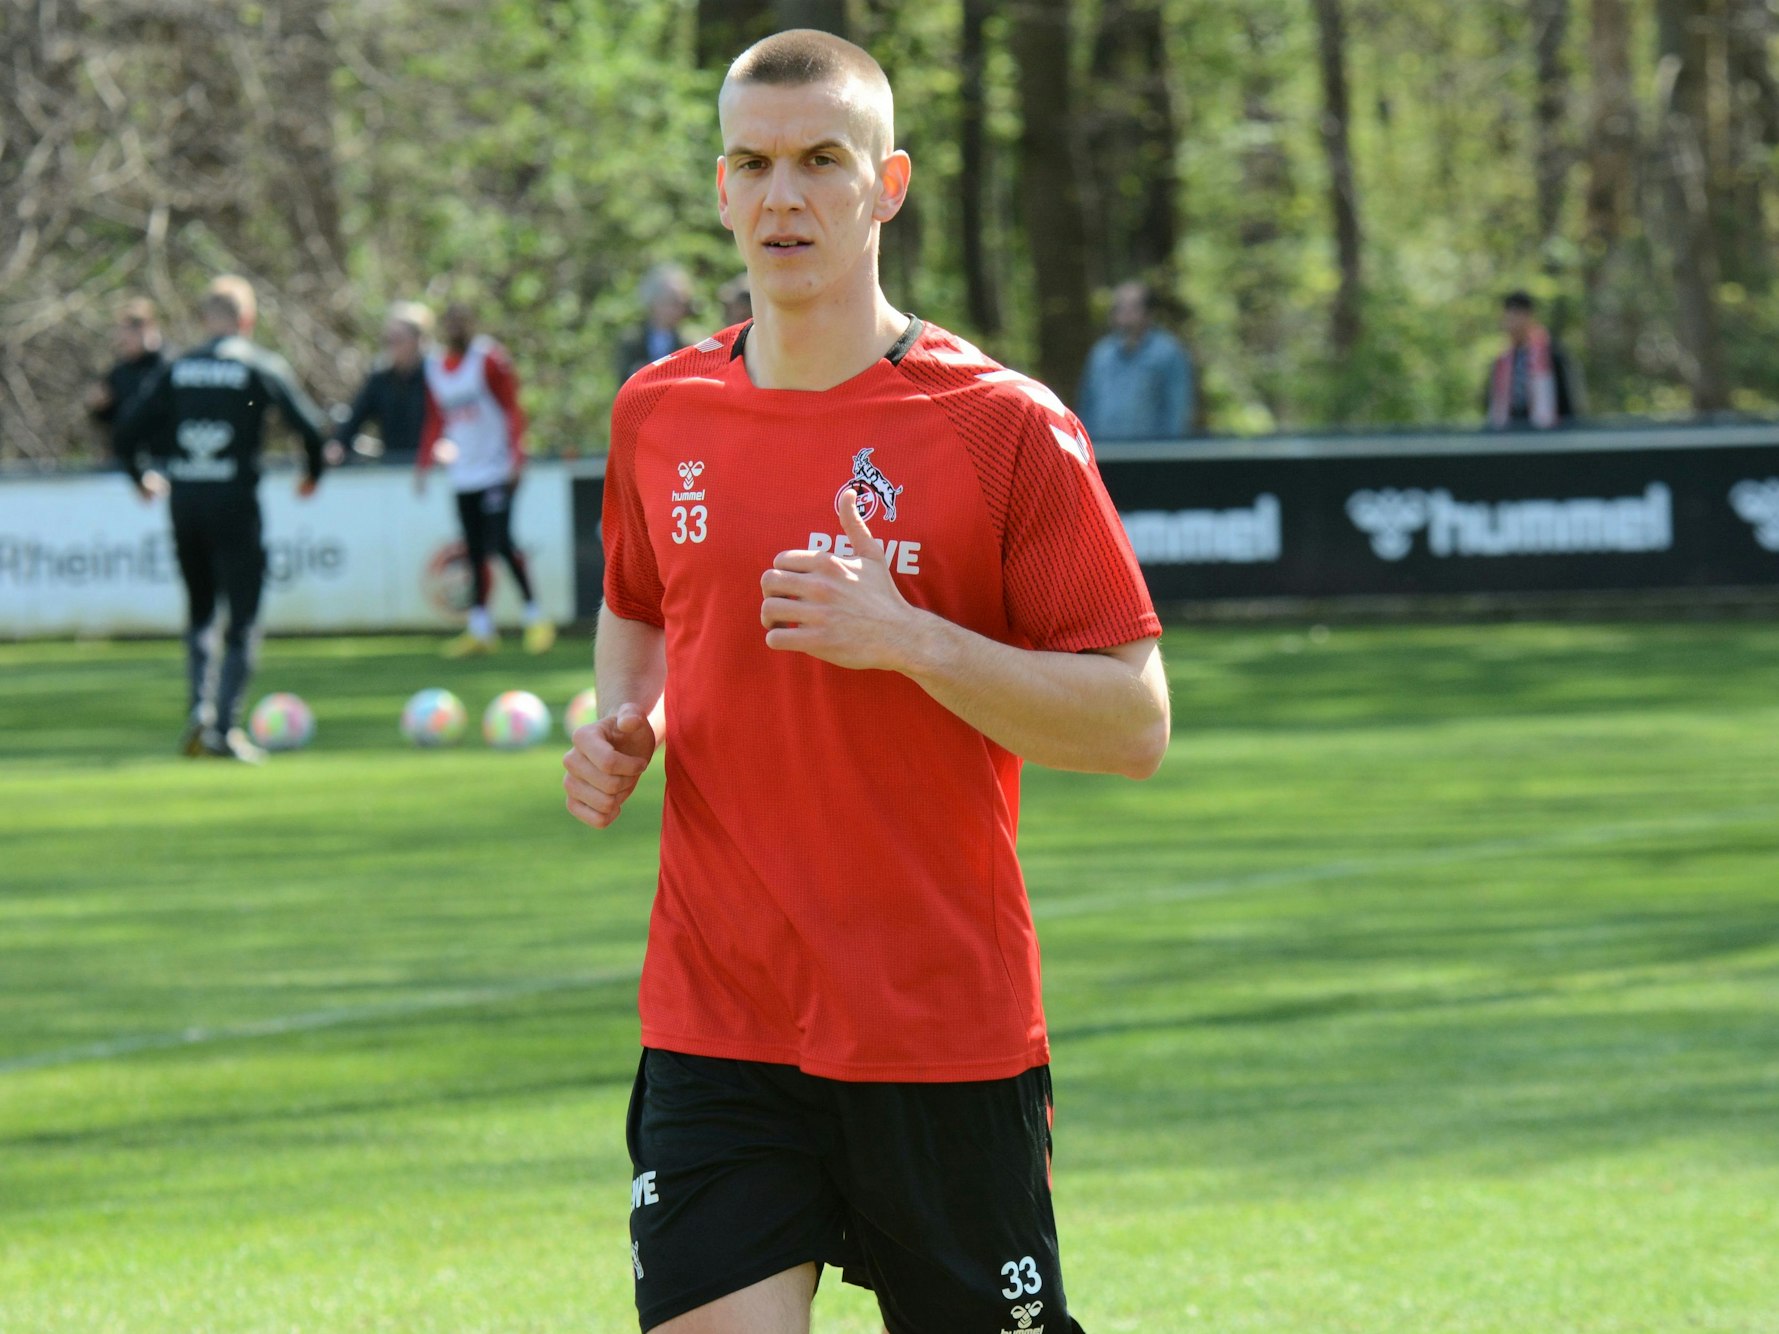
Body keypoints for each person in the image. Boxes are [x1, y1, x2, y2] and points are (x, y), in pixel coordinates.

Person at [563, 29, 1169, 1334]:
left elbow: (1132, 720)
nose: (784, 196)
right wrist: (622, 722)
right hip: (717, 1011)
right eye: (754, 163)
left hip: (935, 1021)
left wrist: (912, 639)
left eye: (820, 162)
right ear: (720, 189)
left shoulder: (1002, 423)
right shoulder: (656, 412)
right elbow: (638, 616)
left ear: (885, 185)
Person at [114, 275, 327, 762]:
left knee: (201, 612)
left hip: (185, 501)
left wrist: (139, 476)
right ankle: (226, 727)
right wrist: (312, 474)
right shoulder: (258, 365)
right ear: (247, 320)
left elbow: (127, 430)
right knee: (244, 618)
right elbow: (311, 428)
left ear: (206, 318)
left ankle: (199, 711)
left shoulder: (179, 368)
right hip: (234, 503)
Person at [418, 302, 555, 656]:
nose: (455, 328)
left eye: (461, 320)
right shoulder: (434, 367)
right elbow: (436, 418)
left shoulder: (490, 359)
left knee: (502, 542)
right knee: (474, 548)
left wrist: (517, 458)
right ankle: (480, 628)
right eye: (450, 321)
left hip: (495, 468)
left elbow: (512, 408)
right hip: (463, 472)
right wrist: (425, 461)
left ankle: (535, 617)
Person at [1074, 280, 1194, 442]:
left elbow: (1177, 410)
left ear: (1149, 312)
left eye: (1132, 306)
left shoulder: (1168, 352)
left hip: (1151, 455)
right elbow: (1086, 405)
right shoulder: (1101, 354)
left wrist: (1170, 453)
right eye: (1119, 306)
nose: (1125, 312)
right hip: (1104, 454)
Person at [329, 301, 434, 464]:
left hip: (433, 467)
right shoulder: (380, 379)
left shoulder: (437, 375)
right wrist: (338, 446)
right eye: (388, 340)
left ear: (418, 340)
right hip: (393, 467)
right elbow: (355, 418)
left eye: (398, 339)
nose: (392, 346)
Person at [86, 298, 169, 475]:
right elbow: (110, 419)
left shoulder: (171, 365)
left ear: (144, 328)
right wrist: (99, 408)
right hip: (128, 467)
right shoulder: (119, 372)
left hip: (165, 462)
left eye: (125, 338)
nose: (121, 344)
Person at [1484, 290, 1580, 430]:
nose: (1512, 321)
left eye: (1517, 314)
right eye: (1508, 315)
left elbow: (1567, 400)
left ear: (1529, 316)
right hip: (1509, 432)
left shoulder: (1552, 355)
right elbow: (1491, 402)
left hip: (1547, 433)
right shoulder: (1502, 361)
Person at [615, 263, 694, 384]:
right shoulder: (631, 340)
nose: (678, 309)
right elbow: (623, 378)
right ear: (653, 302)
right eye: (671, 302)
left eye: (682, 304)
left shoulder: (692, 342)